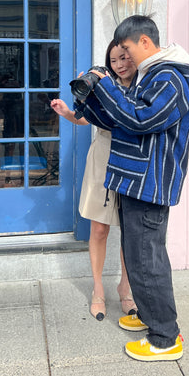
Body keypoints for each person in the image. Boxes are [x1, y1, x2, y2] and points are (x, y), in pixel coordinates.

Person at [80, 15, 189, 362]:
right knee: (139, 257)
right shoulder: (152, 75)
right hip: (136, 181)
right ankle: (150, 315)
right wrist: (91, 99)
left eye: (128, 49)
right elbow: (122, 120)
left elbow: (140, 119)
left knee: (147, 261)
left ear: (145, 41)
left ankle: (165, 338)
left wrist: (108, 87)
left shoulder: (169, 79)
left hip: (149, 185)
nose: (126, 57)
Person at [50, 40, 137, 321]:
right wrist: (67, 112)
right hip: (102, 158)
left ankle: (125, 287)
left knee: (131, 230)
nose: (120, 65)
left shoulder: (144, 86)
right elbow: (86, 119)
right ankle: (97, 289)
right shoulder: (103, 85)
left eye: (124, 58)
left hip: (133, 160)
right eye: (114, 60)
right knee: (99, 229)